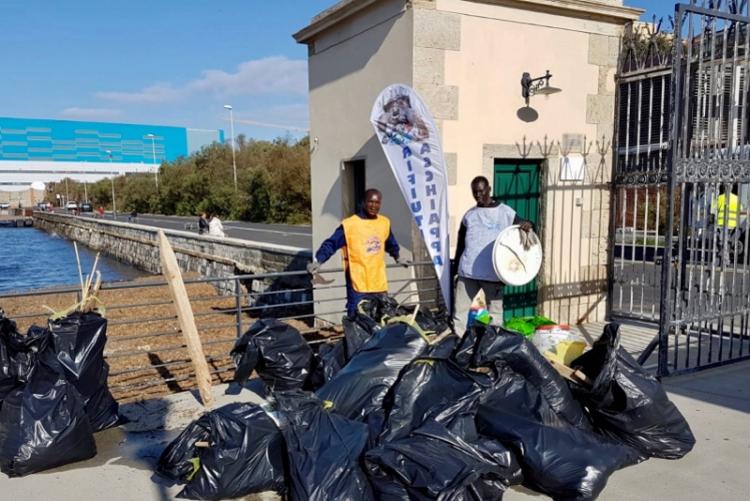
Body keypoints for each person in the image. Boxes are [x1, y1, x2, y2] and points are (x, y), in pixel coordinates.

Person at [308, 188, 407, 318]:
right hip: (358, 284)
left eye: (377, 203)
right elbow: (331, 244)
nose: (374, 205)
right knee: (357, 319)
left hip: (379, 283)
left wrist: (398, 256)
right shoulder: (350, 225)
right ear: (364, 202)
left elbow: (390, 243)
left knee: (380, 317)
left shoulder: (384, 223)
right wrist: (318, 260)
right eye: (370, 202)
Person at [452, 176, 533, 335]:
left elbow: (524, 224)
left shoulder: (505, 212)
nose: (478, 196)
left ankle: (493, 345)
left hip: (493, 274)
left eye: (481, 191)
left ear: (489, 189)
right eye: (475, 192)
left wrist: (528, 224)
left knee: (495, 315)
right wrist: (456, 270)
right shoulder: (469, 215)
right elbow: (461, 244)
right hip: (467, 272)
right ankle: (457, 344)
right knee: (459, 313)